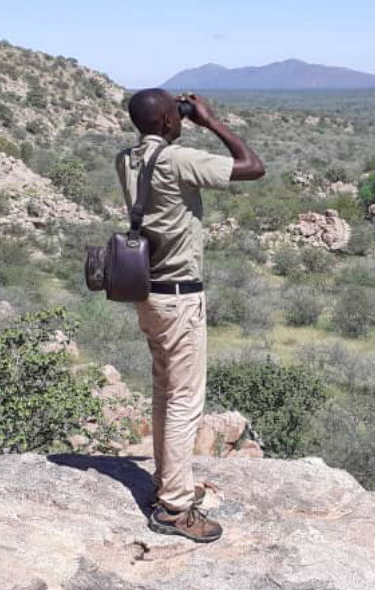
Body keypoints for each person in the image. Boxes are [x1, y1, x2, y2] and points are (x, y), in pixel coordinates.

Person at [116, 88, 264, 542]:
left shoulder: (127, 159)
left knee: (165, 393)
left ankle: (170, 484)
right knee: (184, 402)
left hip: (149, 295)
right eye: (174, 116)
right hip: (179, 298)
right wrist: (210, 121)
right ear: (165, 122)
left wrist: (177, 121)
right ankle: (175, 508)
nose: (180, 120)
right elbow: (252, 167)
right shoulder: (176, 161)